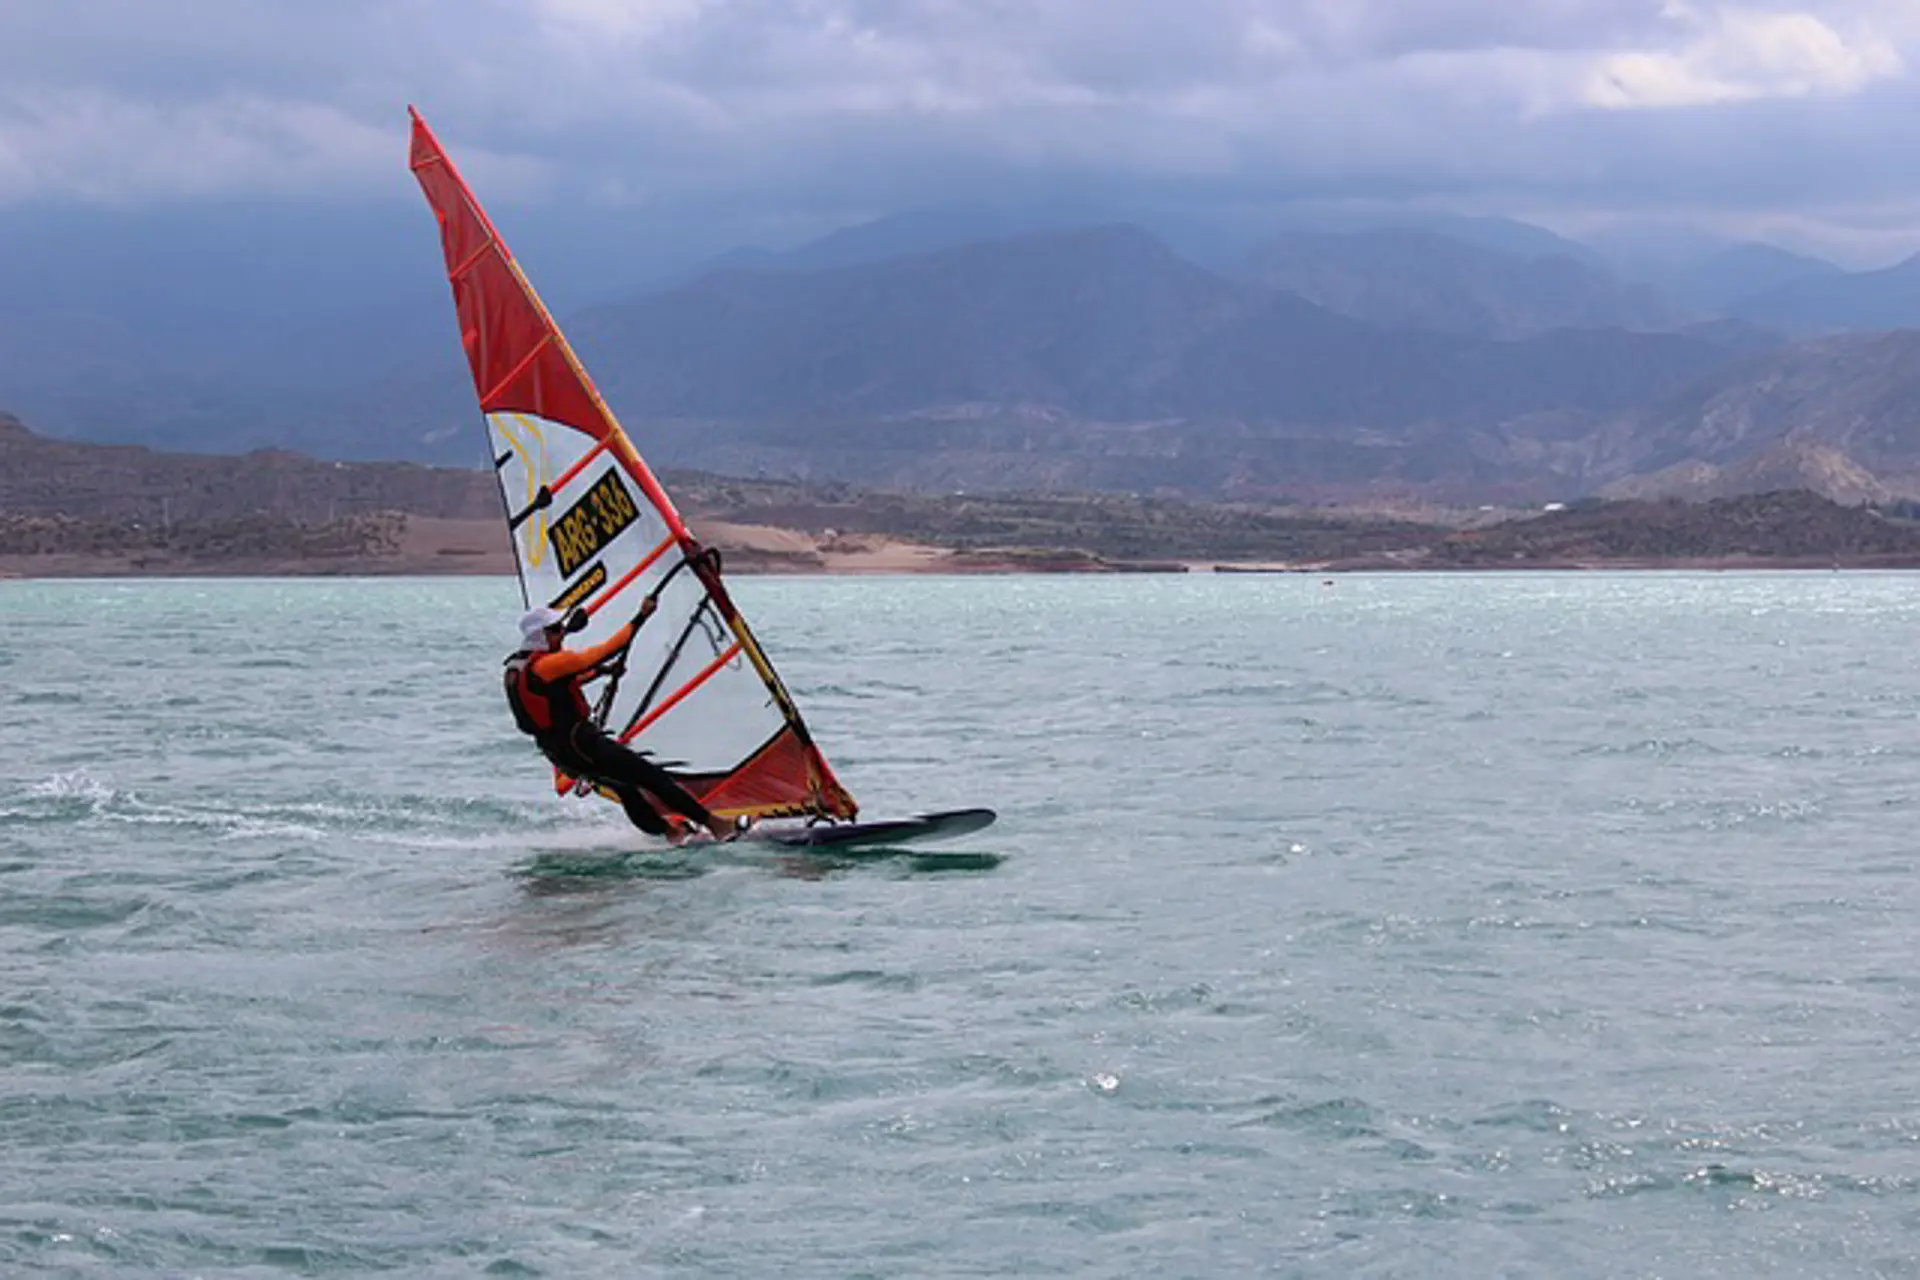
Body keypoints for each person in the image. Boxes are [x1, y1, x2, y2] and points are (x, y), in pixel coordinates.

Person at [504, 599, 736, 842]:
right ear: (540, 635)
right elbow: (608, 649)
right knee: (652, 777)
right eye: (555, 630)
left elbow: (556, 689)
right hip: (581, 744)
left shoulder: (519, 666)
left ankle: (670, 833)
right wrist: (641, 616)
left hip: (560, 753)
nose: (561, 633)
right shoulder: (551, 663)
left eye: (560, 627)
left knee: (627, 790)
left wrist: (601, 672)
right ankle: (716, 825)